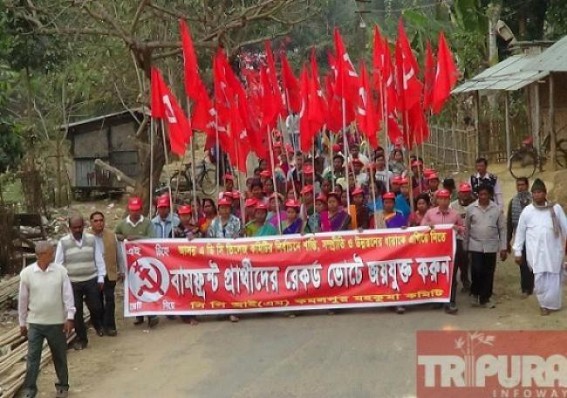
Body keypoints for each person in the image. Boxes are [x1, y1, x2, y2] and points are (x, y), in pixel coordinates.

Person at [18, 241, 75, 398]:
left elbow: (67, 295)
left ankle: (62, 385)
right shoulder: (27, 274)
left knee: (59, 356)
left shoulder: (60, 272)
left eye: (52, 253)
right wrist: (22, 323)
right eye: (49, 254)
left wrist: (69, 317)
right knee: (33, 358)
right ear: (40, 255)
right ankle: (29, 389)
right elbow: (23, 300)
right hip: (35, 322)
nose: (52, 256)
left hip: (56, 322)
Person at [512, 178, 567, 315]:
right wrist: (518, 251)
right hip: (535, 253)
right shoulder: (527, 211)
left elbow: (565, 228)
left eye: (539, 192)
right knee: (540, 279)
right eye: (534, 192)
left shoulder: (555, 209)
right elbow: (520, 232)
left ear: (545, 193)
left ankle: (552, 304)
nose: (537, 195)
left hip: (554, 251)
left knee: (554, 278)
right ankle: (543, 304)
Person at [54, 215, 105, 350]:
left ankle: (97, 324)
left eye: (80, 227)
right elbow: (58, 264)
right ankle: (82, 339)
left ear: (84, 226)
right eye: (74, 228)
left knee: (96, 307)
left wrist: (101, 277)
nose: (77, 230)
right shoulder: (63, 242)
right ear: (69, 228)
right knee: (76, 312)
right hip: (73, 282)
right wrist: (63, 282)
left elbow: (98, 258)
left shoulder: (91, 239)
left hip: (91, 279)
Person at [115, 196, 158, 328]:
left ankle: (151, 315)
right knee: (134, 287)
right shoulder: (122, 224)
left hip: (146, 262)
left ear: (141, 209)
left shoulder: (148, 223)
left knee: (148, 288)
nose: (134, 212)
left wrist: (137, 237)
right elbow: (115, 235)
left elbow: (152, 238)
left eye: (137, 210)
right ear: (129, 209)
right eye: (132, 210)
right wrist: (121, 237)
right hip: (130, 263)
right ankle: (139, 315)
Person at [464, 184, 507, 308]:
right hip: (475, 245)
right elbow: (466, 229)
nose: (483, 197)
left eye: (486, 194)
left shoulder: (496, 209)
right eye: (481, 194)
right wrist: (465, 247)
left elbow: (502, 229)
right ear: (478, 195)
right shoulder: (471, 209)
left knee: (488, 272)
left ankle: (485, 298)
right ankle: (475, 293)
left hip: (491, 246)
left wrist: (503, 247)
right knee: (476, 269)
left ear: (490, 195)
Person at [421, 189, 464, 314]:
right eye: (441, 199)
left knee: (451, 275)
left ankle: (451, 301)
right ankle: (437, 299)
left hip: (451, 250)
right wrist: (428, 227)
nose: (444, 201)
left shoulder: (455, 214)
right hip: (434, 250)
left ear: (449, 200)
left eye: (446, 199)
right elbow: (422, 227)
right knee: (437, 273)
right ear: (437, 200)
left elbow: (463, 228)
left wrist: (457, 228)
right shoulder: (430, 213)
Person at [88, 211, 125, 336]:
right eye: (96, 221)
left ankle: (110, 326)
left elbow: (119, 253)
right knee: (96, 302)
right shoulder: (86, 237)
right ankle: (99, 325)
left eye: (101, 220)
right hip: (93, 274)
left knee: (110, 299)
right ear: (91, 223)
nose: (99, 223)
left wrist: (122, 270)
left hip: (109, 273)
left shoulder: (111, 235)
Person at [506, 177, 534, 297]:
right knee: (522, 264)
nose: (520, 187)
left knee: (534, 262)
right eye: (518, 185)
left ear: (527, 186)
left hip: (534, 237)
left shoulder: (534, 200)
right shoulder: (513, 202)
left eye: (522, 185)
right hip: (520, 237)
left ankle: (534, 286)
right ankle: (525, 289)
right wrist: (507, 241)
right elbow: (509, 223)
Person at [450, 183, 475, 292]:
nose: (465, 195)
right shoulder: (452, 206)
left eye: (467, 193)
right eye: (463, 193)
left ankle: (474, 283)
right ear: (459, 194)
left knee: (474, 263)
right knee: (462, 261)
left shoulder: (476, 205)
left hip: (473, 237)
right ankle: (464, 281)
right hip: (458, 238)